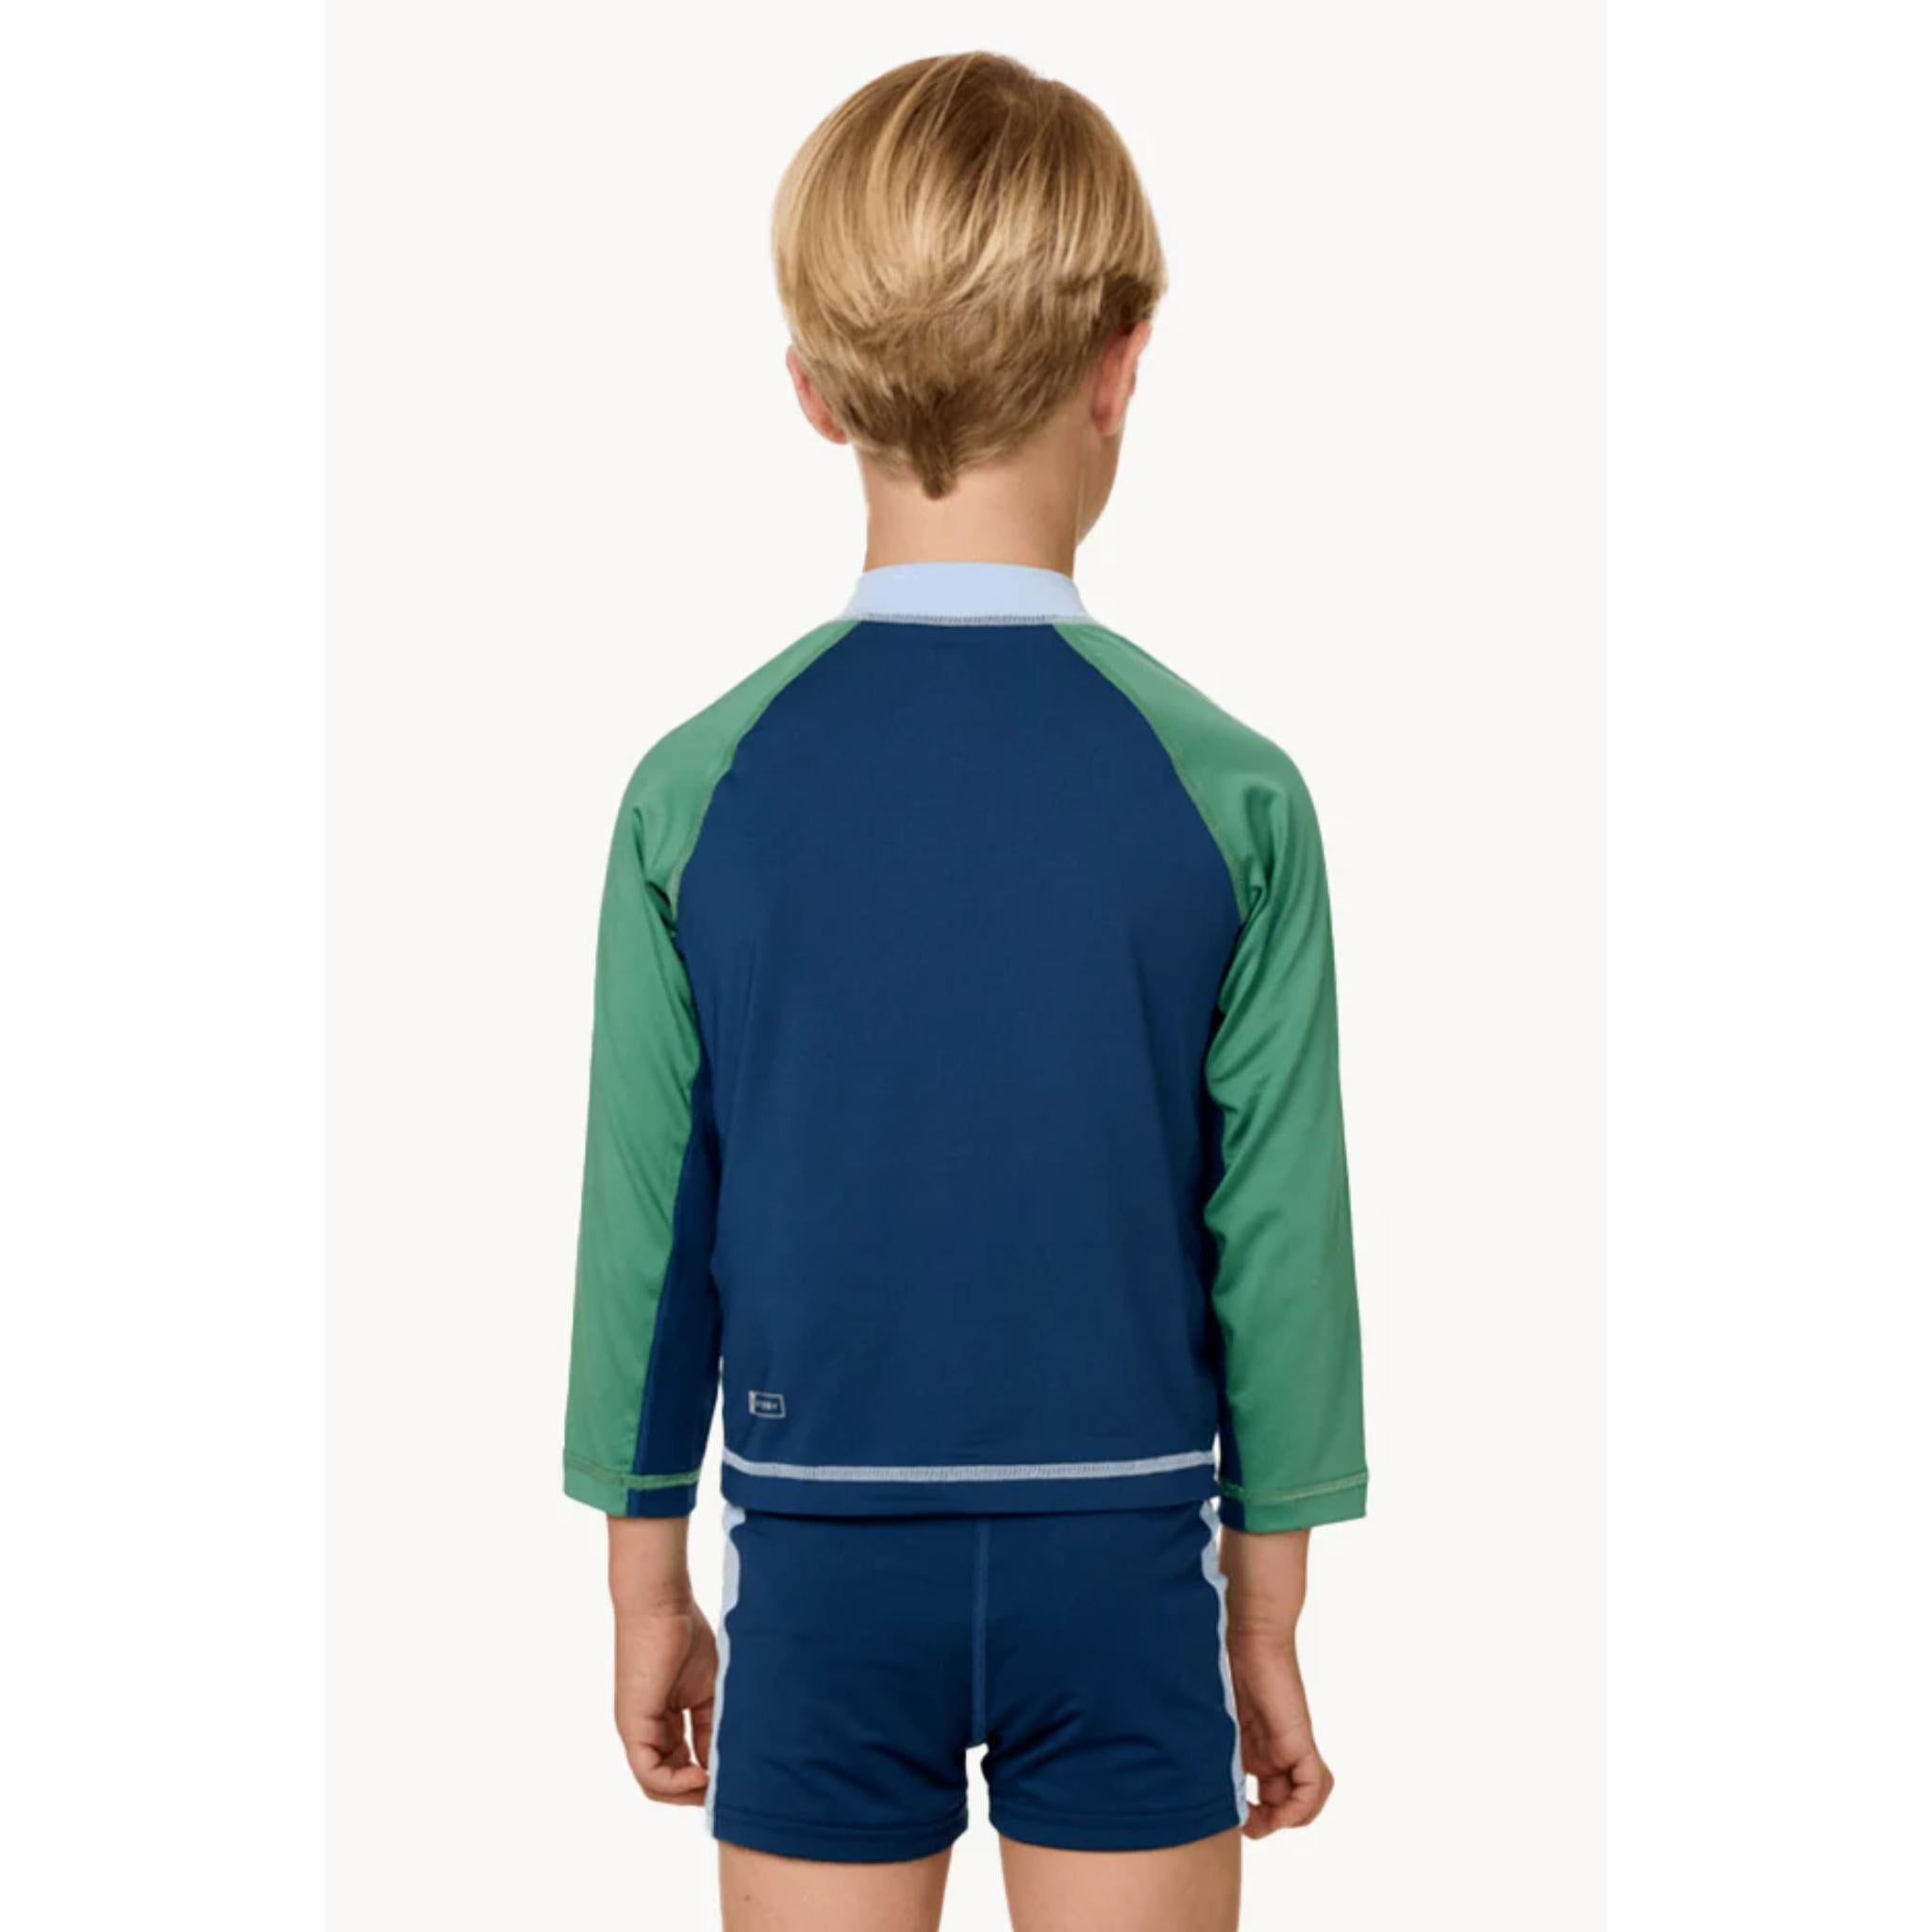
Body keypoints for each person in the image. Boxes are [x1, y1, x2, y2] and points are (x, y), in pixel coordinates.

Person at [562, 51, 1366, 1932]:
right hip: (1126, 1563)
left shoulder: (695, 792)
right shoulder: (1235, 796)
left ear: (813, 388)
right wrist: (1266, 1606)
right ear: (1121, 365)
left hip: (823, 1565)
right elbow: (1280, 1237)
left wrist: (643, 1574)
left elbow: (648, 1223)